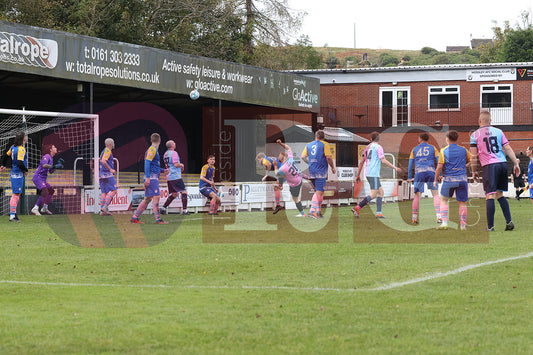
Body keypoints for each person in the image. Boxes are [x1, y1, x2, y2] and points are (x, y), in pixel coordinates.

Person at [470, 111, 520, 231]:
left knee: (490, 195)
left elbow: (473, 156)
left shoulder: (475, 135)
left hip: (489, 166)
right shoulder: (499, 131)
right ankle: (509, 222)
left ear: (479, 121)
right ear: (490, 121)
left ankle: (490, 227)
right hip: (502, 164)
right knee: (499, 194)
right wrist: (516, 163)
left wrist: (474, 171)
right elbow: (507, 147)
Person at [352, 131, 401, 218]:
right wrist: (395, 167)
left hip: (368, 173)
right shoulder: (378, 147)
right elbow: (383, 160)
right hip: (373, 173)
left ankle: (379, 213)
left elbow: (361, 162)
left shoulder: (366, 148)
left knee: (380, 192)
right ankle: (357, 207)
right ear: (379, 139)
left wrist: (358, 175)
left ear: (371, 139)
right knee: (374, 193)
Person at [433, 130, 470, 230]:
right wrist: (465, 165)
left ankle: (444, 223)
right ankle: (463, 225)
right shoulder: (464, 150)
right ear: (457, 139)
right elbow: (472, 160)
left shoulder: (443, 151)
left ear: (447, 139)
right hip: (462, 179)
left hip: (449, 180)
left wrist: (435, 180)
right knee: (462, 203)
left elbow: (439, 167)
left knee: (444, 200)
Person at [131, 133, 168, 224]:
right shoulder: (152, 149)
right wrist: (148, 177)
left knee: (147, 199)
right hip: (151, 178)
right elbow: (147, 163)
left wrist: (163, 170)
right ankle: (158, 219)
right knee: (156, 197)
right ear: (159, 140)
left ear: (151, 140)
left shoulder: (153, 150)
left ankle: (134, 218)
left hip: (151, 177)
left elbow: (153, 165)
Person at [301, 129, 336, 219]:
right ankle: (312, 211)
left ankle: (319, 212)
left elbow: (303, 157)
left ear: (316, 136)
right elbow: (328, 157)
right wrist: (332, 167)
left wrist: (309, 163)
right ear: (323, 137)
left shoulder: (308, 145)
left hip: (312, 170)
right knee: (318, 192)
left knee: (320, 192)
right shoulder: (325, 144)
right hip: (321, 171)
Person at [407, 132, 441, 225]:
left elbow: (410, 164)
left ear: (420, 139)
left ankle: (414, 218)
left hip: (419, 173)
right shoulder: (433, 148)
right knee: (435, 194)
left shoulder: (414, 149)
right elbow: (439, 161)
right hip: (431, 172)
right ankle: (439, 217)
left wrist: (409, 177)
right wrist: (440, 174)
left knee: (417, 196)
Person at [273, 139, 307, 217]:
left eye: (279, 156)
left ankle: (302, 214)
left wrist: (275, 166)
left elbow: (277, 174)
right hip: (299, 179)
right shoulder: (290, 159)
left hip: (295, 184)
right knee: (282, 177)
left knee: (295, 199)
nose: (278, 157)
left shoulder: (283, 168)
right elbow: (289, 148)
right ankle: (281, 186)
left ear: (282, 158)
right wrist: (281, 144)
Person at [0, 131, 28, 222]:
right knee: (16, 194)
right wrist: (26, 170)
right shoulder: (21, 149)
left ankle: (13, 213)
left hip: (14, 172)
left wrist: (3, 164)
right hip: (18, 174)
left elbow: (5, 155)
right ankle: (12, 215)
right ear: (24, 139)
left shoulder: (13, 147)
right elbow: (20, 163)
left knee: (17, 194)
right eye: (26, 136)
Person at [31, 144, 63, 215]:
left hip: (43, 179)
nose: (56, 148)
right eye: (54, 147)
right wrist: (54, 165)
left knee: (51, 191)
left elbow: (50, 171)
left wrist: (56, 166)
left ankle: (44, 208)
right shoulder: (47, 156)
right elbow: (44, 165)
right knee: (45, 191)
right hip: (38, 177)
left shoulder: (51, 158)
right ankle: (35, 208)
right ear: (50, 150)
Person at [160, 140, 190, 215]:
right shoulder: (174, 153)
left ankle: (163, 208)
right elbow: (176, 164)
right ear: (172, 145)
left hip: (169, 176)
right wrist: (182, 165)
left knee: (174, 194)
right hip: (175, 176)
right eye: (174, 143)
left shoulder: (165, 154)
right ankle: (185, 211)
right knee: (184, 192)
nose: (175, 143)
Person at [98, 138, 117, 216]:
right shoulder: (107, 151)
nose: (113, 145)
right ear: (110, 144)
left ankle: (102, 211)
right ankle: (105, 207)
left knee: (104, 192)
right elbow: (103, 161)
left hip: (101, 174)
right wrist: (110, 169)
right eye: (113, 143)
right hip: (107, 174)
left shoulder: (103, 151)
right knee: (114, 190)